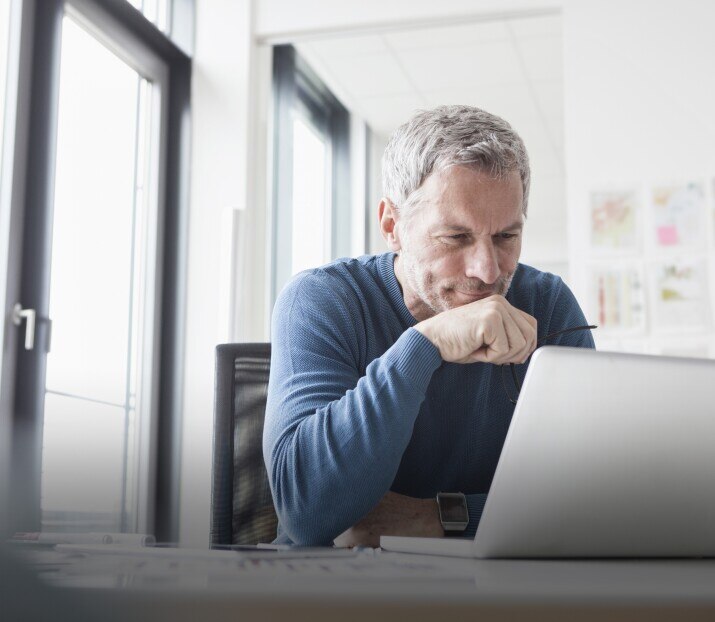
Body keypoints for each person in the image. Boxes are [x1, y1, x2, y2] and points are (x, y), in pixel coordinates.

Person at [263, 105, 594, 547]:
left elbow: (591, 498)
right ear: (392, 225)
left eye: (505, 237)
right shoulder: (322, 300)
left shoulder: (549, 304)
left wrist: (436, 518)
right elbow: (308, 512)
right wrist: (424, 344)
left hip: (497, 590)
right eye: (455, 238)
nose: (487, 270)